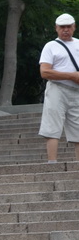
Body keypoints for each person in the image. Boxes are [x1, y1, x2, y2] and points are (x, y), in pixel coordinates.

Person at [38, 13, 79, 163]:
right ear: (56, 28)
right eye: (62, 27)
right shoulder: (51, 46)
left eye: (69, 27)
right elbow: (45, 71)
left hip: (77, 91)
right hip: (57, 89)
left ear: (74, 27)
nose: (66, 30)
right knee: (53, 127)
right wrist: (72, 76)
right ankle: (52, 163)